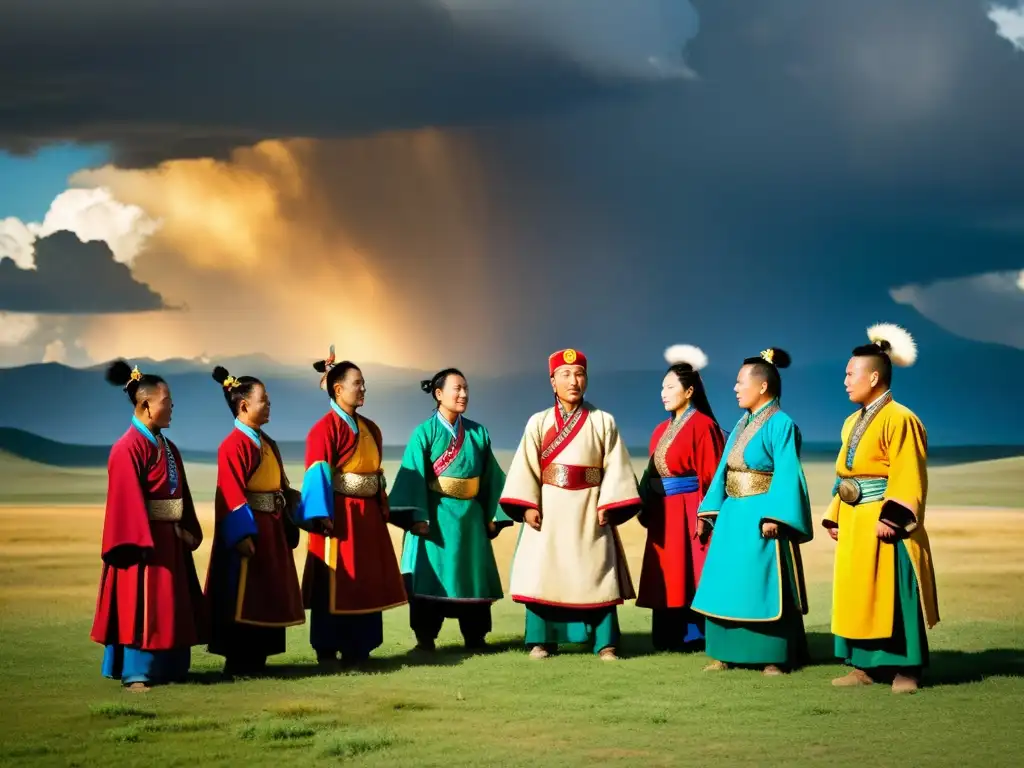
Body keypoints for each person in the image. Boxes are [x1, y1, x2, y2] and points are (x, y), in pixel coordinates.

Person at [499, 348, 641, 661]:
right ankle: (541, 641)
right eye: (565, 375)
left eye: (579, 374)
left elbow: (616, 466)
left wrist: (609, 503)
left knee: (597, 574)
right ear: (552, 382)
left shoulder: (603, 421)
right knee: (544, 573)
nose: (573, 381)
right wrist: (527, 506)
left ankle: (605, 643)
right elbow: (525, 466)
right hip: (548, 509)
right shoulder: (538, 422)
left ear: (586, 379)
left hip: (590, 509)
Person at [824, 324, 939, 694]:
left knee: (894, 591)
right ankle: (863, 665)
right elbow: (846, 475)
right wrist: (836, 513)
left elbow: (908, 473)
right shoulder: (849, 423)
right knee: (858, 593)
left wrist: (893, 517)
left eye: (850, 373)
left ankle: (907, 669)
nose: (844, 380)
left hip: (883, 522)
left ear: (874, 377)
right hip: (855, 521)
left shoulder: (901, 418)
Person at [691, 347, 813, 676]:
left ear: (762, 387)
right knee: (725, 583)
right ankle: (723, 652)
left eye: (740, 382)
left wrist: (776, 515)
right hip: (732, 515)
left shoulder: (782, 424)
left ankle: (771, 656)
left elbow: (788, 472)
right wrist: (710, 509)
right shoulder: (742, 423)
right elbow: (723, 471)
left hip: (761, 518)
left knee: (761, 584)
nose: (734, 388)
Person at [90, 361, 206, 691]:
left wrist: (185, 529)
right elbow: (125, 503)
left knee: (171, 604)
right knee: (140, 605)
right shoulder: (126, 448)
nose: (171, 408)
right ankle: (137, 673)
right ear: (145, 405)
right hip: (142, 545)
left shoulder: (168, 448)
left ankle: (171, 667)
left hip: (170, 539)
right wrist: (141, 541)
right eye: (166, 402)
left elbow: (180, 494)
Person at [293, 346, 407, 665]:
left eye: (364, 383)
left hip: (366, 518)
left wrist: (380, 504)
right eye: (357, 383)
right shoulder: (323, 430)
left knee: (366, 580)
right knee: (336, 581)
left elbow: (376, 472)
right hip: (338, 519)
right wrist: (321, 515)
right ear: (338, 388)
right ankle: (328, 647)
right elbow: (317, 473)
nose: (363, 389)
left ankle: (363, 645)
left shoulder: (371, 428)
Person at [388, 368, 514, 651]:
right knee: (431, 576)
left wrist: (493, 515)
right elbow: (413, 475)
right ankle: (425, 637)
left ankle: (476, 636)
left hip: (470, 520)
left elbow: (492, 477)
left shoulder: (478, 432)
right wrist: (417, 517)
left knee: (472, 577)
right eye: (457, 388)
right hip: (435, 518)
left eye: (466, 389)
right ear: (439, 393)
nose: (463, 394)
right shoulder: (424, 432)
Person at [203, 366, 305, 677]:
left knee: (267, 593)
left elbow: (281, 485)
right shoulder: (233, 445)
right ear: (244, 405)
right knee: (242, 595)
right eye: (265, 399)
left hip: (271, 528)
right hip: (249, 533)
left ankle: (259, 658)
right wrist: (241, 535)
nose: (270, 404)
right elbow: (231, 494)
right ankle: (238, 661)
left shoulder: (266, 442)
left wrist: (298, 510)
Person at [637, 344, 725, 652]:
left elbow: (712, 477)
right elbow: (650, 474)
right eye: (662, 387)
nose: (663, 393)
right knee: (666, 573)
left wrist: (706, 515)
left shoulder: (704, 426)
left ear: (689, 391)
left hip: (689, 510)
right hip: (663, 512)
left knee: (689, 573)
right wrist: (644, 502)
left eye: (670, 387)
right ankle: (666, 636)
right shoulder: (660, 429)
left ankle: (693, 636)